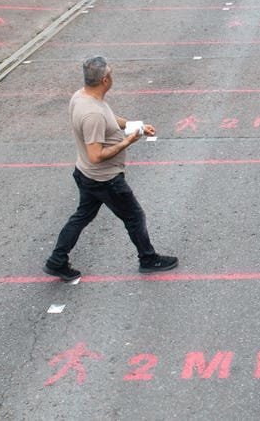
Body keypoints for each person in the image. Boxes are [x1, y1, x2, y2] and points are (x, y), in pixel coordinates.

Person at [43, 56, 178, 281]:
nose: (113, 77)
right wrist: (127, 141)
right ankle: (148, 259)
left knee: (82, 216)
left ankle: (57, 261)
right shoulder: (92, 114)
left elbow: (109, 118)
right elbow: (96, 155)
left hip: (84, 173)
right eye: (112, 74)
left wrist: (136, 126)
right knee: (134, 216)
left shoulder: (83, 96)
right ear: (105, 80)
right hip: (104, 179)